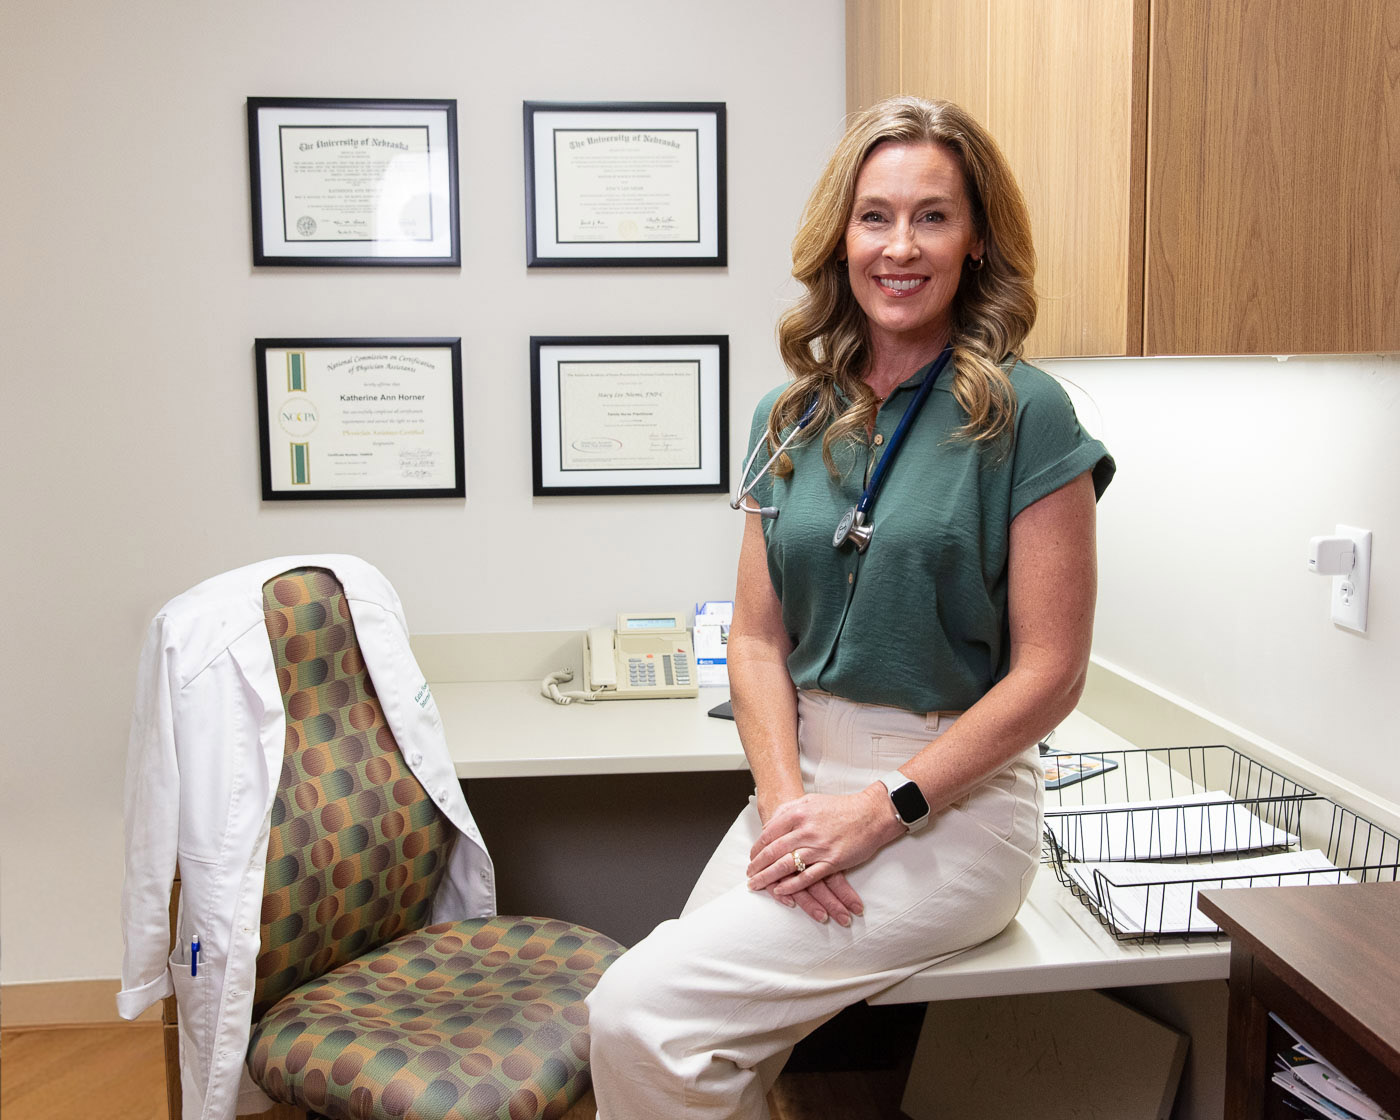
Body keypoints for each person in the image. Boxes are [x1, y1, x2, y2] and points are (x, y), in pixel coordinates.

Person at [585, 96, 1115, 1119]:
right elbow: (755, 636)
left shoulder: (1025, 412)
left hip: (946, 803)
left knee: (636, 1014)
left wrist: (880, 811)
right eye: (874, 216)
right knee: (701, 1049)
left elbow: (1051, 670)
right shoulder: (789, 416)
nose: (898, 246)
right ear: (841, 237)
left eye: (931, 216)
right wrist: (787, 806)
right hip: (801, 786)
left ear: (975, 242)